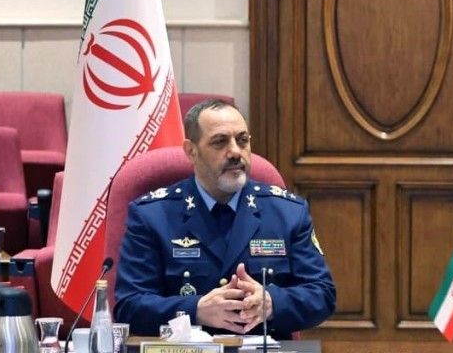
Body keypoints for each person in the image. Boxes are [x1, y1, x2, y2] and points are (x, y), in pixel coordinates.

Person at [114, 99, 336, 337]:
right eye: (220, 142)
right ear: (191, 151)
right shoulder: (152, 215)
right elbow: (129, 306)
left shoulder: (288, 212)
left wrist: (272, 303)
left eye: (242, 140)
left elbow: (322, 294)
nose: (235, 152)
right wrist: (196, 310)